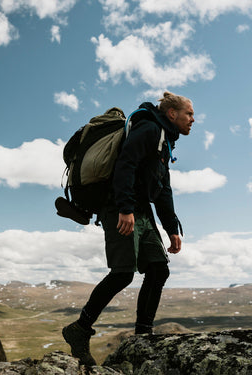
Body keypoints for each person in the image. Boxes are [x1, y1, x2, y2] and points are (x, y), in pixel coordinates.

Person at [61, 91, 194, 366]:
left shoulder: (164, 141)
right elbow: (125, 164)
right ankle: (79, 329)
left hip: (140, 209)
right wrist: (125, 208)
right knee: (123, 273)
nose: (193, 119)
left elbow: (163, 188)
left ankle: (143, 336)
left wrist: (171, 228)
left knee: (159, 269)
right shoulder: (149, 129)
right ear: (172, 114)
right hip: (120, 206)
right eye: (189, 114)